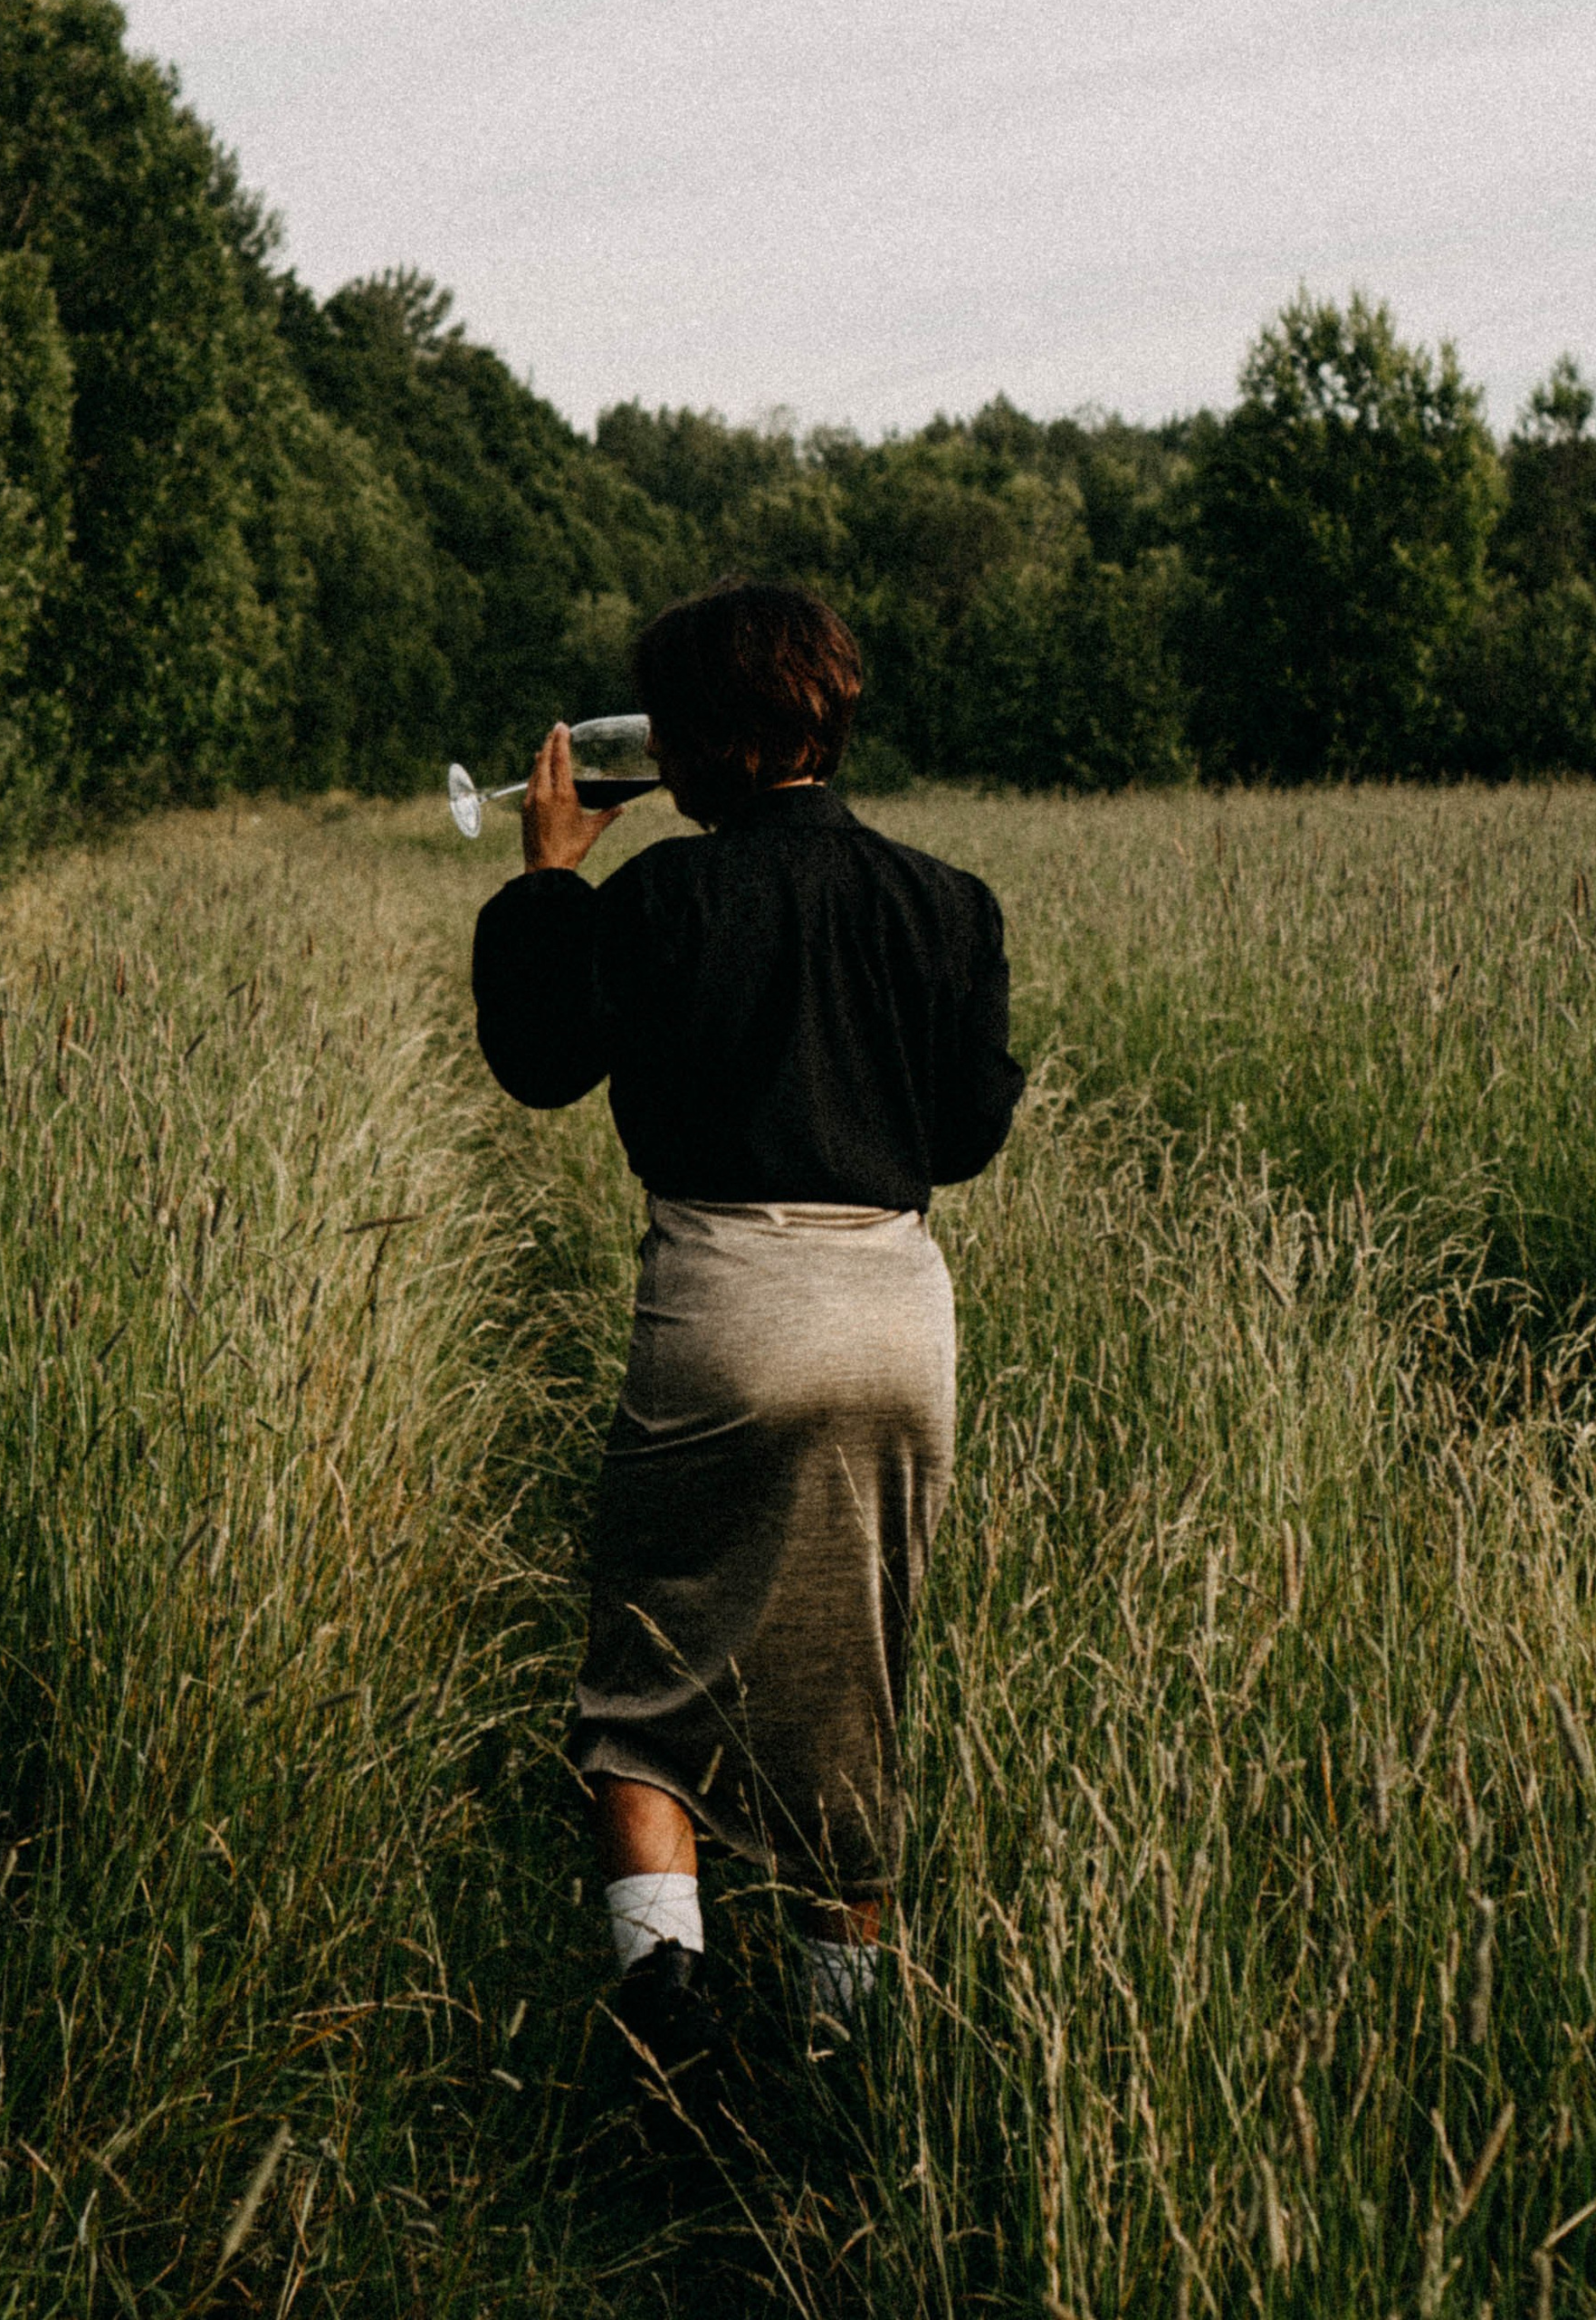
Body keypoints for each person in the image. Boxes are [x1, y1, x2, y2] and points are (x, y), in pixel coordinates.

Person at [471, 581, 1023, 2084]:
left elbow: (534, 1063)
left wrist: (548, 876)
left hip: (725, 1304)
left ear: (692, 748)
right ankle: (847, 2057)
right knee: (862, 1674)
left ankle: (667, 2003)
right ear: (828, 718)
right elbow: (967, 1135)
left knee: (649, 1672)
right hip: (900, 1320)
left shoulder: (661, 900)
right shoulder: (949, 902)